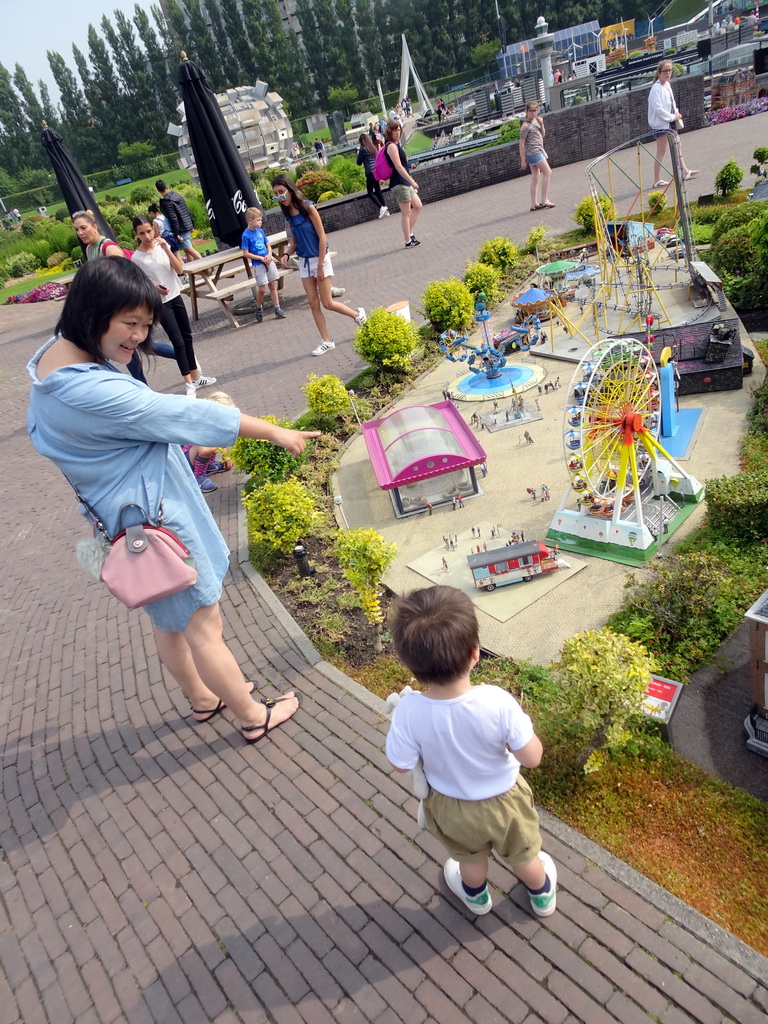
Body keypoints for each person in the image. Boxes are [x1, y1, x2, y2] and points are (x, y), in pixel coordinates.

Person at [27, 257, 316, 744]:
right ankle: (251, 714)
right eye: (130, 323)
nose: (139, 336)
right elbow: (179, 413)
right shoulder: (89, 392)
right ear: (92, 312)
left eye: (145, 324)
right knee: (205, 621)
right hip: (158, 519)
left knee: (170, 619)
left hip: (126, 525)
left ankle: (204, 698)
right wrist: (274, 430)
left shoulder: (51, 361)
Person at [385, 586, 557, 918]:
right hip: (505, 802)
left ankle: (476, 898)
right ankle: (542, 895)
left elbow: (400, 764)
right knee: (524, 857)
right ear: (475, 653)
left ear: (408, 663)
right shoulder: (497, 701)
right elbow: (532, 758)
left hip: (451, 806)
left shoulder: (410, 711)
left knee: (469, 859)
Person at [72, 209, 176, 382]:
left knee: (138, 347)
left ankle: (185, 360)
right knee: (134, 349)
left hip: (124, 308)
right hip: (112, 310)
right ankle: (183, 361)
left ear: (94, 226)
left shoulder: (109, 249)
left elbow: (128, 278)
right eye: (77, 229)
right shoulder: (90, 249)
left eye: (83, 227)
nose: (80, 233)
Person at [272, 174, 366, 357]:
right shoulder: (288, 215)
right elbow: (294, 242)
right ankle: (326, 341)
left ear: (290, 190)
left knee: (328, 303)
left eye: (282, 192)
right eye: (276, 194)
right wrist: (286, 254)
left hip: (319, 258)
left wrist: (321, 265)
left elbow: (323, 237)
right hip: (305, 262)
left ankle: (358, 315)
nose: (280, 197)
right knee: (313, 303)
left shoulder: (308, 207)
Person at [132, 215, 215, 397]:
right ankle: (188, 383)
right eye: (142, 233)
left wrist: (166, 249)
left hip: (175, 294)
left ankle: (196, 377)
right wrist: (154, 288)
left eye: (149, 231)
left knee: (187, 337)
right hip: (160, 303)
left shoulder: (163, 246)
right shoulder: (137, 258)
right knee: (176, 340)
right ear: (136, 235)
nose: (147, 236)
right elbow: (140, 285)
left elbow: (179, 270)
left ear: (154, 229)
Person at [647, 61, 699, 188]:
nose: (668, 73)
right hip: (661, 124)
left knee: (677, 146)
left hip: (669, 122)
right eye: (665, 71)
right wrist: (672, 117)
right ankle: (656, 179)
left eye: (670, 70)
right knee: (661, 151)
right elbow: (658, 109)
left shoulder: (667, 86)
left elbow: (672, 102)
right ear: (659, 73)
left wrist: (676, 114)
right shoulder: (656, 88)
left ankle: (684, 171)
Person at [241, 206, 286, 322]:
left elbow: (268, 245)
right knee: (262, 289)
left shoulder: (260, 232)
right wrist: (260, 258)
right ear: (250, 220)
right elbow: (245, 253)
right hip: (258, 264)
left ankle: (277, 308)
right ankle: (259, 307)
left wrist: (269, 254)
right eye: (258, 220)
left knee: (272, 285)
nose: (261, 222)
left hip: (268, 261)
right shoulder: (246, 235)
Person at [384, 120, 423, 249]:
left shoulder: (396, 145)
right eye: (395, 130)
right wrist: (412, 181)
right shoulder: (391, 147)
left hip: (404, 181)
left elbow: (403, 166)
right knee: (405, 213)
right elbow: (399, 167)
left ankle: (410, 234)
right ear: (390, 131)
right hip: (399, 183)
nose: (398, 132)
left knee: (417, 205)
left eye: (399, 130)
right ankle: (407, 241)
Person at [155, 180, 202, 263]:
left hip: (180, 228)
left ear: (158, 190)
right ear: (166, 186)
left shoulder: (166, 201)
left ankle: (206, 264)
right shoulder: (177, 196)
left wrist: (176, 233)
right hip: (187, 224)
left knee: (189, 249)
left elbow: (173, 218)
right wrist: (191, 225)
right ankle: (192, 273)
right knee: (187, 251)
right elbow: (187, 210)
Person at [519, 101, 554, 212]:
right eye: (531, 110)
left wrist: (542, 124)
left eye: (535, 110)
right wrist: (523, 160)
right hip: (534, 152)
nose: (533, 113)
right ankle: (544, 200)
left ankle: (533, 204)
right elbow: (521, 143)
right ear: (526, 111)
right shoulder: (525, 125)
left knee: (535, 177)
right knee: (548, 172)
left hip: (537, 150)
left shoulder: (536, 121)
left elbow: (542, 135)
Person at [356, 133, 389, 219]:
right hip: (376, 171)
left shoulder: (363, 150)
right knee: (378, 191)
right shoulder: (372, 148)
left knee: (370, 193)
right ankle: (385, 208)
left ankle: (381, 208)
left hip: (370, 172)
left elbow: (358, 162)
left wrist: (358, 153)